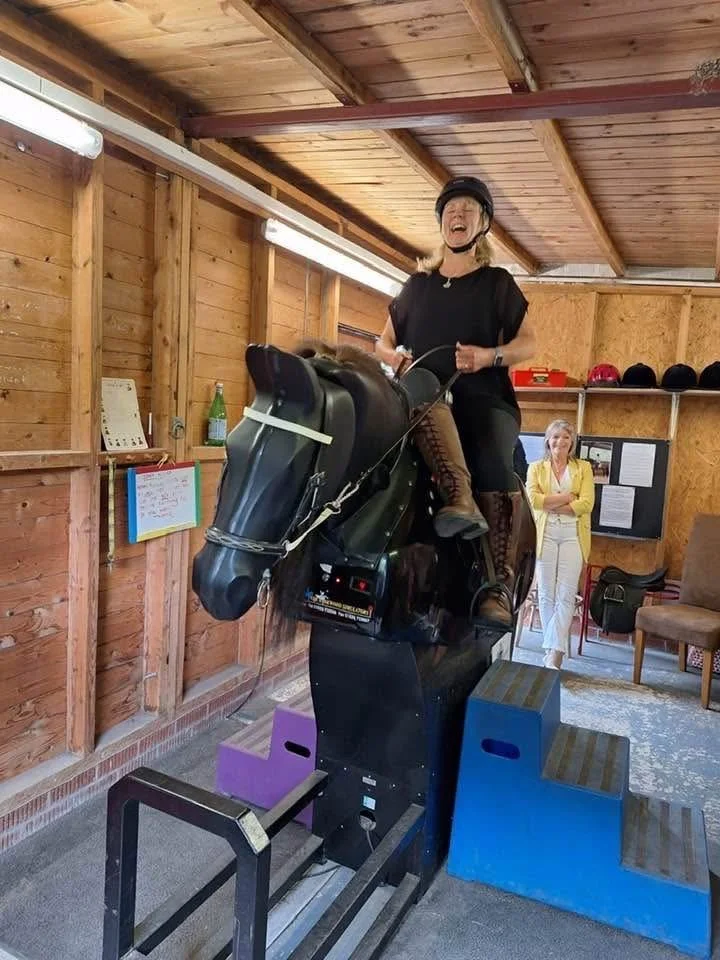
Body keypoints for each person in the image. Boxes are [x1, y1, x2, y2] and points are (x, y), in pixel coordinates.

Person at [376, 176, 536, 626]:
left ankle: (497, 585)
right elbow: (381, 343)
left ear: (483, 224)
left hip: (484, 401)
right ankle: (453, 502)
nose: (458, 215)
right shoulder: (418, 285)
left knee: (493, 464)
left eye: (468, 210)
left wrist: (489, 356)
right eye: (450, 209)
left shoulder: (497, 283)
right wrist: (397, 360)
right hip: (424, 403)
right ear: (441, 221)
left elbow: (530, 344)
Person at [526, 420, 595, 669]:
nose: (560, 442)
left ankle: (554, 653)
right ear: (547, 441)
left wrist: (551, 502)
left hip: (572, 537)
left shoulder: (584, 468)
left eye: (565, 437)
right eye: (555, 437)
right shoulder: (536, 468)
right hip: (544, 534)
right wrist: (567, 498)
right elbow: (533, 500)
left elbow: (586, 504)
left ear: (572, 442)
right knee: (546, 593)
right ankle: (552, 646)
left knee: (565, 594)